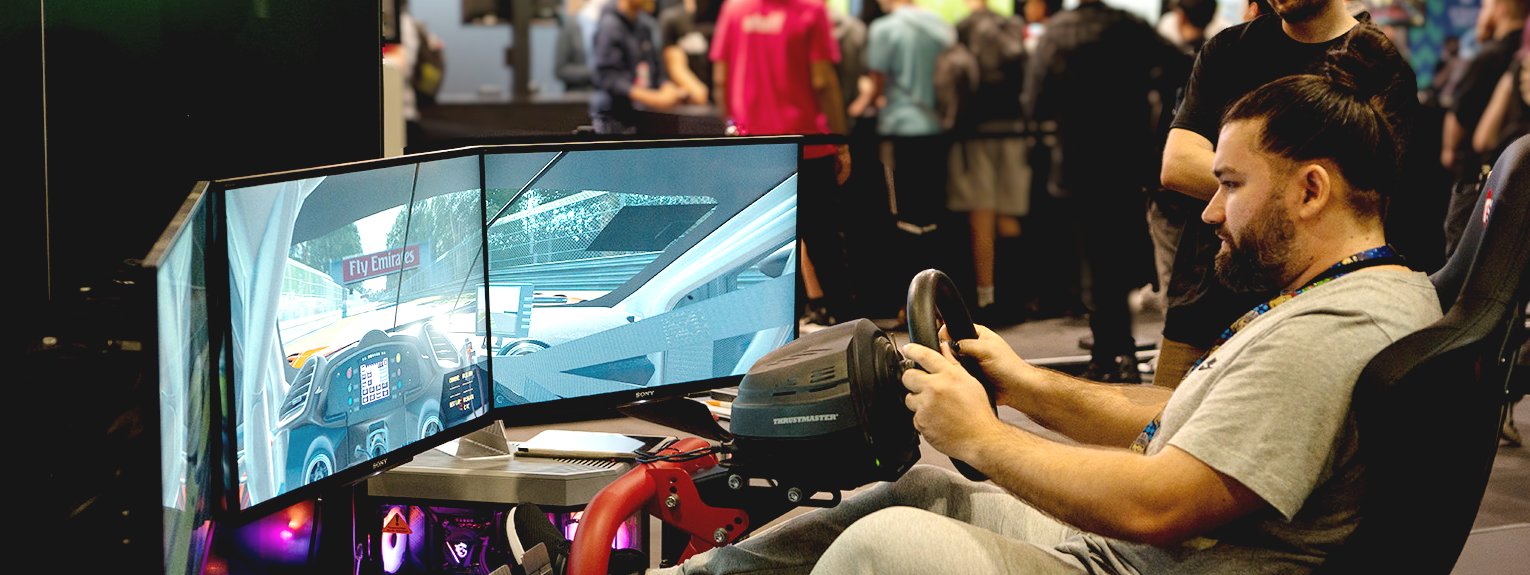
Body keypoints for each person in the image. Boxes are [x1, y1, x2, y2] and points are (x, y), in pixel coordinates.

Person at [613, 68, 1441, 575]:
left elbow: (1160, 503)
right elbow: (1177, 423)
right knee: (917, 490)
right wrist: (1019, 382)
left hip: (1146, 561)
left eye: (1231, 184)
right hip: (1149, 555)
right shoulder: (1348, 291)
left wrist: (980, 435)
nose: (1212, 211)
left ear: (1311, 190)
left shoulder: (1326, 335)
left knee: (889, 543)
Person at [1156, 0, 1419, 389]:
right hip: (1204, 298)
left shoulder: (1376, 67)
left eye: (1232, 184)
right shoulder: (1229, 50)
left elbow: (1354, 200)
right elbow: (1177, 164)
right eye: (1228, 182)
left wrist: (1248, 184)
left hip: (1309, 309)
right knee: (1152, 435)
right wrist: (1278, 190)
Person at [1023, 0, 1179, 382]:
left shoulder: (1057, 32)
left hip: (1077, 162)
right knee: (1124, 255)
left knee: (1093, 261)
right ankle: (1120, 347)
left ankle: (1111, 351)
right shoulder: (1130, 26)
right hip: (1128, 157)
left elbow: (1034, 101)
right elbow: (1177, 67)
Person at [710, 0, 853, 322]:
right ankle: (845, 332)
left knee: (760, 243)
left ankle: (767, 335)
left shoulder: (734, 10)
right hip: (810, 145)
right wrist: (840, 142)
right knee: (824, 243)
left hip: (753, 147)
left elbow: (720, 80)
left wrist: (732, 125)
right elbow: (824, 82)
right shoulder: (811, 10)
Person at [946, 0, 1030, 323]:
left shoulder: (963, 29)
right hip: (1013, 128)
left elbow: (957, 79)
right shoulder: (1011, 26)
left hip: (976, 130)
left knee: (981, 212)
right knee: (1009, 213)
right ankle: (1014, 297)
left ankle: (986, 297)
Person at [1442, 0, 1527, 255]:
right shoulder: (1519, 57)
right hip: (1517, 182)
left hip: (1480, 182)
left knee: (1462, 267)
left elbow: (1476, 135)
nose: (1481, 15)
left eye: (1485, 7)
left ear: (1501, 8)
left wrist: (1449, 150)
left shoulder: (1491, 56)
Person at [590, 0, 687, 133]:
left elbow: (657, 69)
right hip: (613, 119)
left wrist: (666, 87)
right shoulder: (609, 26)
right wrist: (654, 98)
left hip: (642, 116)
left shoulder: (645, 25)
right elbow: (607, 77)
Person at [659, 0, 715, 105]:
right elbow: (675, 66)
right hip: (690, 101)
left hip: (717, 99)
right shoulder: (672, 18)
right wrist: (698, 90)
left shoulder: (720, 16)